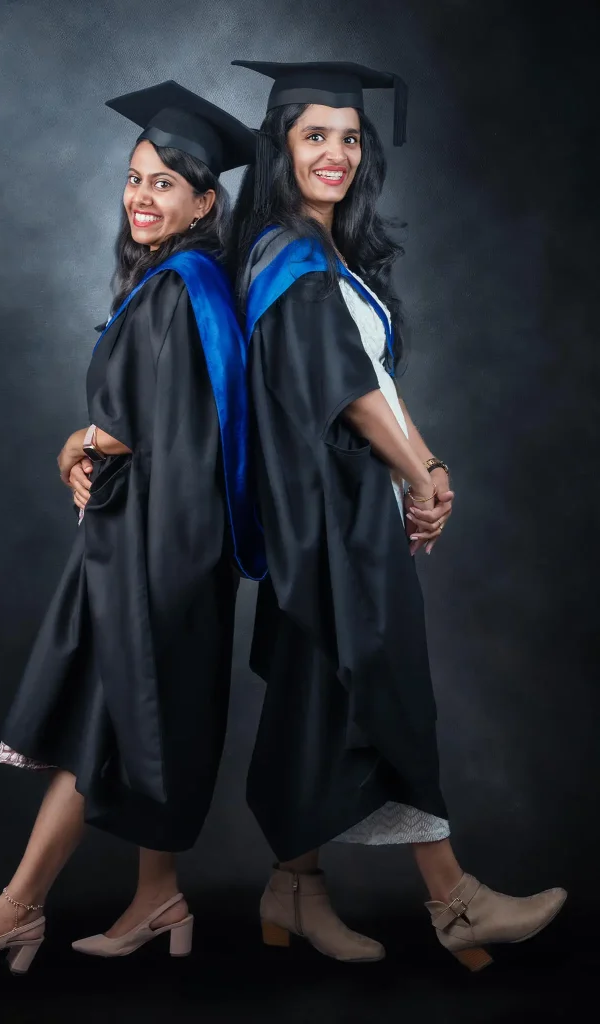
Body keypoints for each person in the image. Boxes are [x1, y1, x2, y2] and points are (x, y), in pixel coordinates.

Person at [0, 81, 262, 973]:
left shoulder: (185, 291)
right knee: (142, 721)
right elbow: (154, 419)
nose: (142, 198)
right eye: (135, 178)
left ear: (205, 202)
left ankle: (17, 909)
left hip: (158, 552)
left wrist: (83, 440)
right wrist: (93, 443)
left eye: (165, 186)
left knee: (109, 721)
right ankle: (158, 896)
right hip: (146, 540)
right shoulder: (176, 284)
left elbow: (176, 435)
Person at [228, 59, 566, 971]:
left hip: (342, 511)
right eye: (314, 136)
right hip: (328, 521)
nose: (336, 152)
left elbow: (373, 378)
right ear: (281, 148)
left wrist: (429, 461)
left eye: (349, 136)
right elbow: (342, 390)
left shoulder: (325, 253)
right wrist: (416, 472)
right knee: (385, 694)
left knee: (317, 697)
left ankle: (292, 889)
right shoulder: (287, 257)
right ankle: (455, 902)